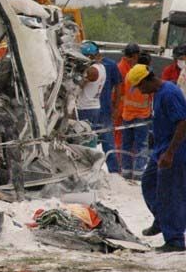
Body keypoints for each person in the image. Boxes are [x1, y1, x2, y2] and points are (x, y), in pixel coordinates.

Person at [128, 65, 186, 252]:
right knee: (149, 182)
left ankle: (175, 239)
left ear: (146, 80)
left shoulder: (169, 93)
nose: (140, 91)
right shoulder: (158, 93)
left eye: (139, 86)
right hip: (160, 147)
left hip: (174, 149)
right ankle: (162, 219)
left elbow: (183, 122)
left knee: (170, 193)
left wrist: (170, 153)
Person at [77, 41, 116, 171]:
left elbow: (78, 85)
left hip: (85, 108)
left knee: (84, 140)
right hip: (94, 106)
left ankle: (87, 167)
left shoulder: (92, 70)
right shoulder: (102, 67)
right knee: (90, 137)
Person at [120, 52, 153, 180]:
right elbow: (151, 96)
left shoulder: (130, 74)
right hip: (142, 116)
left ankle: (126, 171)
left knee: (126, 144)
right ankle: (138, 173)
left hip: (127, 114)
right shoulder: (146, 77)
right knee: (141, 145)